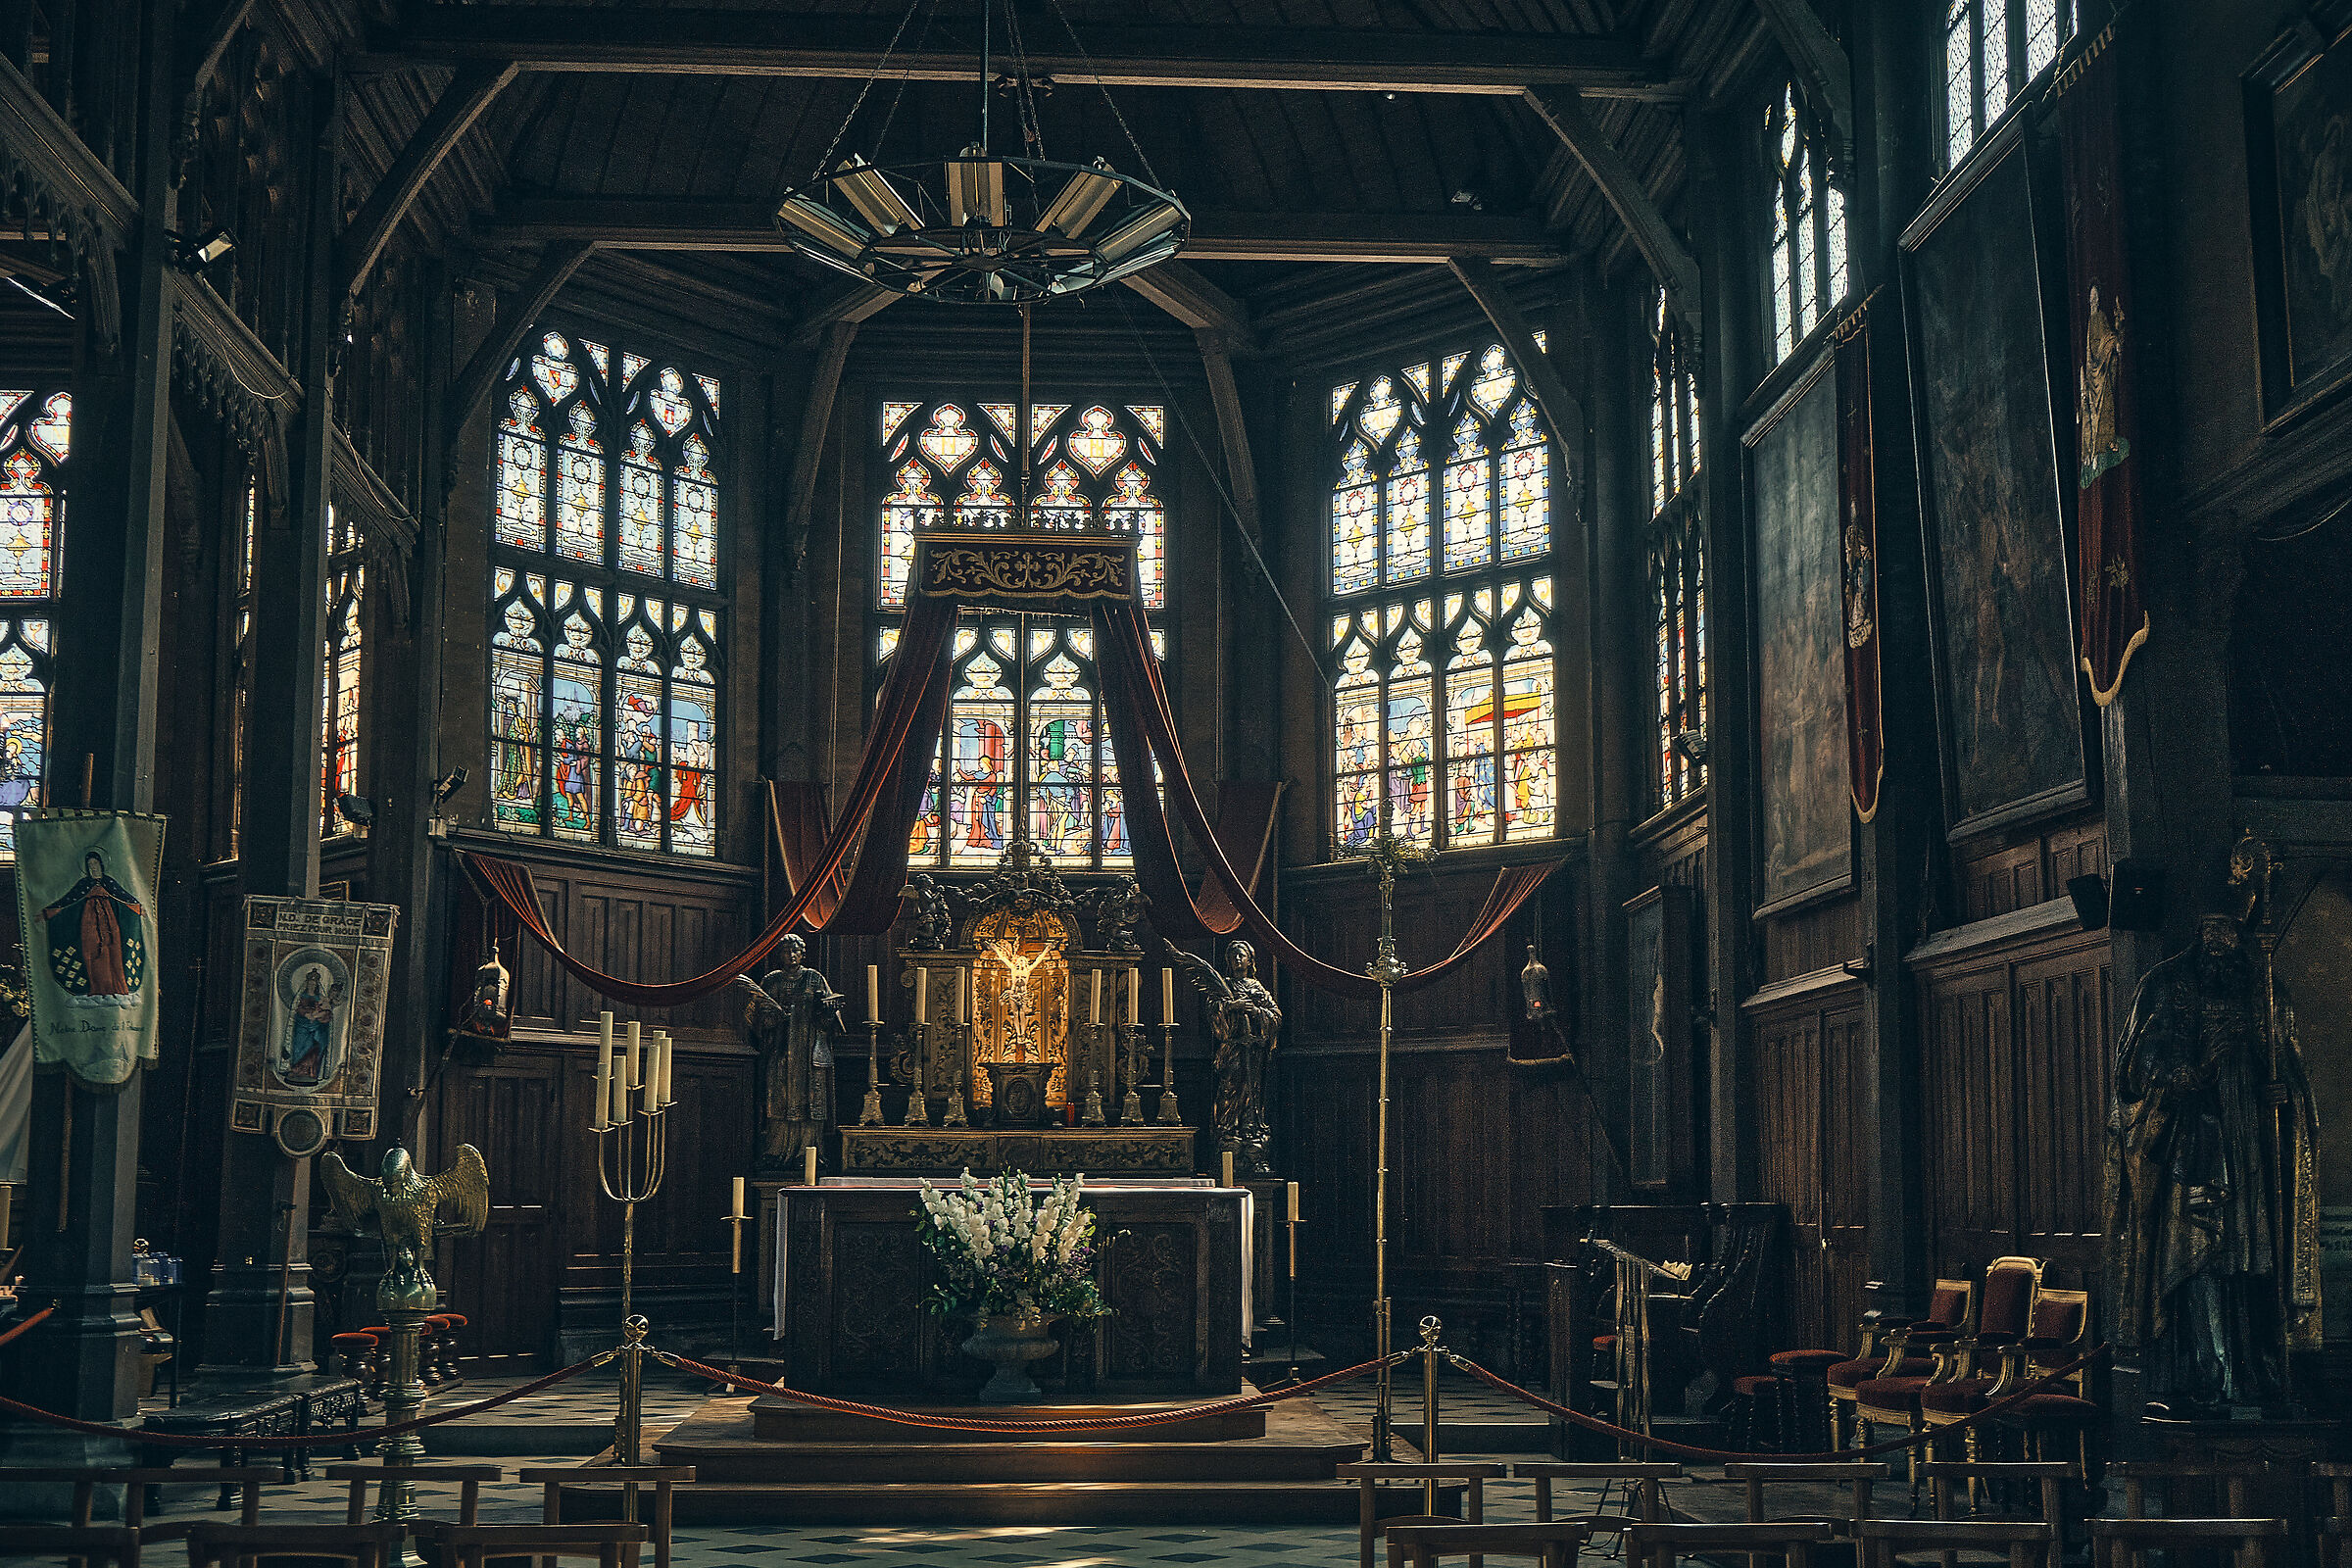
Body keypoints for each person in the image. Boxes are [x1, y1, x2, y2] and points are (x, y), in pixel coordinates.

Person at [2106, 913, 2322, 1414]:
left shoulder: (2265, 989)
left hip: (2251, 1147)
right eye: (2213, 948)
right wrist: (2190, 1073)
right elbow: (2138, 1065)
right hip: (2195, 1145)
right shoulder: (2164, 985)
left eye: (2230, 948)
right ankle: (2208, 1367)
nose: (2221, 959)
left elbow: (2288, 1063)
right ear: (2199, 944)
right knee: (2200, 1255)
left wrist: (2282, 1092)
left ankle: (2253, 1366)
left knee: (2251, 1261)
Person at [734, 935, 846, 1168]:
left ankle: (808, 1153)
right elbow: (754, 1018)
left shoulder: (814, 978)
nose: (791, 955)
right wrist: (773, 1017)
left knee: (811, 1102)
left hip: (809, 1052)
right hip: (781, 1050)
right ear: (779, 955)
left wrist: (825, 1011)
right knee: (780, 1099)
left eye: (795, 951)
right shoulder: (771, 981)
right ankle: (777, 1150)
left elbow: (831, 1020)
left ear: (803, 954)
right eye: (786, 951)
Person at [41, 848, 146, 1005]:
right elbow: (68, 899)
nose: (93, 867)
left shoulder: (108, 882)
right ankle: (96, 989)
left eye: (95, 863)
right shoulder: (84, 883)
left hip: (109, 921)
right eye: (90, 864)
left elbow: (124, 896)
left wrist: (139, 908)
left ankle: (116, 988)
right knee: (91, 951)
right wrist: (48, 913)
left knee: (113, 951)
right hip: (89, 922)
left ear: (101, 864)